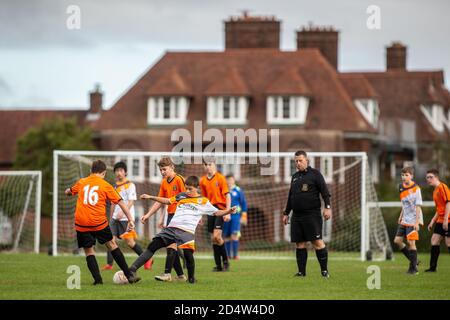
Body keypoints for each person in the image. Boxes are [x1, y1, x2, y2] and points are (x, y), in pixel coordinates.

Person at [132, 176, 236, 283]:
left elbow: (216, 212)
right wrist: (150, 197)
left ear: (197, 188)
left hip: (186, 231)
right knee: (152, 246)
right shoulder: (181, 196)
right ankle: (132, 270)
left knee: (188, 255)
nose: (187, 191)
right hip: (171, 229)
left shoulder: (203, 201)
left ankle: (191, 279)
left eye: (190, 189)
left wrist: (228, 211)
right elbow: (168, 201)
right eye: (186, 188)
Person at [64, 160, 140, 285]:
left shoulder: (82, 182)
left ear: (90, 171)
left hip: (81, 222)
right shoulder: (105, 185)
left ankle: (98, 280)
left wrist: (67, 191)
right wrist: (131, 220)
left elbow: (69, 191)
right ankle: (129, 275)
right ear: (104, 173)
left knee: (88, 250)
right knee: (111, 245)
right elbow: (121, 203)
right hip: (98, 222)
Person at [283, 150, 332, 278]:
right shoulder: (294, 177)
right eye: (296, 161)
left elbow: (325, 192)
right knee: (299, 243)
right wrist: (286, 213)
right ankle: (301, 272)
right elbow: (291, 197)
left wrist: (327, 207)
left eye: (300, 160)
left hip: (312, 214)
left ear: (307, 161)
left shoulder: (315, 174)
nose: (298, 163)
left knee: (317, 242)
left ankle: (324, 271)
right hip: (297, 216)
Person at [140, 157, 186, 281]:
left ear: (172, 167)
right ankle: (181, 276)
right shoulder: (164, 182)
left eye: (164, 169)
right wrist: (148, 214)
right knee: (171, 245)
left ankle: (167, 274)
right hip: (171, 216)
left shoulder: (179, 180)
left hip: (180, 217)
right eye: (160, 170)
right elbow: (160, 201)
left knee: (172, 245)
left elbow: (188, 198)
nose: (162, 172)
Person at [102, 161, 151, 271]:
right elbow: (113, 203)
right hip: (115, 219)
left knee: (130, 243)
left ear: (125, 172)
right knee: (110, 240)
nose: (119, 173)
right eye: (117, 171)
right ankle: (109, 264)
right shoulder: (114, 187)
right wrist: (111, 218)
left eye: (121, 171)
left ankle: (147, 259)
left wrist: (123, 213)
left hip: (126, 219)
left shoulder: (130, 185)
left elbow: (131, 202)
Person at [200, 158, 231, 271]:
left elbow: (227, 196)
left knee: (217, 236)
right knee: (213, 238)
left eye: (210, 164)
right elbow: (203, 200)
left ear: (214, 165)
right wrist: (200, 216)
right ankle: (218, 266)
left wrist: (228, 212)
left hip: (221, 209)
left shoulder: (220, 178)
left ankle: (226, 262)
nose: (208, 166)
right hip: (210, 210)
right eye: (206, 164)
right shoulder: (202, 180)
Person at [393, 167, 422, 275]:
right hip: (405, 218)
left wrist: (417, 222)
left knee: (411, 242)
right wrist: (401, 215)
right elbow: (404, 204)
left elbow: (418, 206)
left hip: (413, 219)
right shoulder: (400, 187)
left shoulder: (416, 188)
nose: (404, 177)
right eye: (402, 175)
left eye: (406, 175)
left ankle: (413, 269)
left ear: (412, 176)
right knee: (397, 241)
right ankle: (415, 261)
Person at [425, 168, 450, 272]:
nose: (428, 179)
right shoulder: (435, 191)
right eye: (427, 177)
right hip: (440, 220)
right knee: (434, 241)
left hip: (448, 220)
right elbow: (439, 209)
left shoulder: (442, 187)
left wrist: (445, 220)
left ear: (437, 177)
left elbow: (449, 203)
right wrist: (432, 221)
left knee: (448, 243)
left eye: (431, 177)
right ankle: (432, 268)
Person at [223, 174, 248, 260]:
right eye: (228, 180)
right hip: (226, 215)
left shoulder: (238, 190)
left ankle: (235, 255)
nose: (229, 181)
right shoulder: (224, 190)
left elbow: (243, 203)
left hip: (235, 216)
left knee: (234, 234)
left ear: (234, 180)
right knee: (226, 236)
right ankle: (227, 255)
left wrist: (244, 216)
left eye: (231, 180)